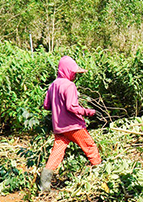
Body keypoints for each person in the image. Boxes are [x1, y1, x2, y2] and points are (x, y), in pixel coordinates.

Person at [38, 56, 101, 192]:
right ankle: (101, 175)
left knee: (57, 152)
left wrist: (57, 105)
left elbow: (46, 105)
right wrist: (88, 112)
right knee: (90, 147)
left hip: (59, 127)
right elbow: (72, 107)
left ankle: (44, 185)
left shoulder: (53, 85)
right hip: (73, 126)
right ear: (67, 71)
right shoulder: (70, 85)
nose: (74, 75)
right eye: (73, 72)